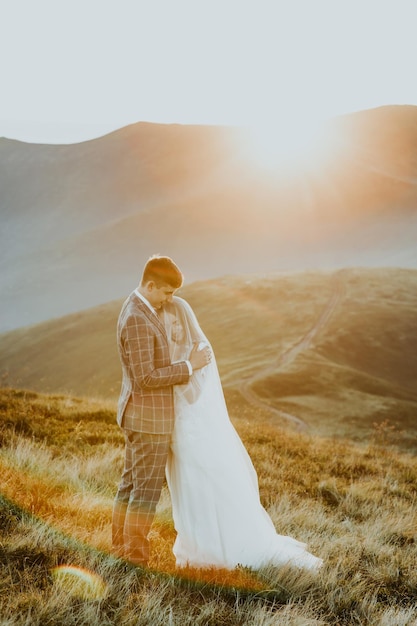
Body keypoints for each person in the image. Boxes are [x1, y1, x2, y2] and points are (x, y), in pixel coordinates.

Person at [161, 295, 323, 572]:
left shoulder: (199, 350)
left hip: (197, 435)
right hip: (178, 435)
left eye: (176, 324)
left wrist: (187, 366)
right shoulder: (170, 350)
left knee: (207, 489)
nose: (173, 330)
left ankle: (225, 552)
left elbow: (192, 394)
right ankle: (196, 549)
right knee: (188, 491)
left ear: (186, 321)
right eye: (168, 324)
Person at [111, 255, 211, 566]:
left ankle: (120, 549)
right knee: (146, 493)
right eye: (167, 292)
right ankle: (136, 559)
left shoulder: (141, 305)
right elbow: (146, 377)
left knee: (130, 485)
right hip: (148, 419)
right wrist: (188, 366)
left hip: (138, 414)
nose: (171, 299)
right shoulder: (137, 319)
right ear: (151, 285)